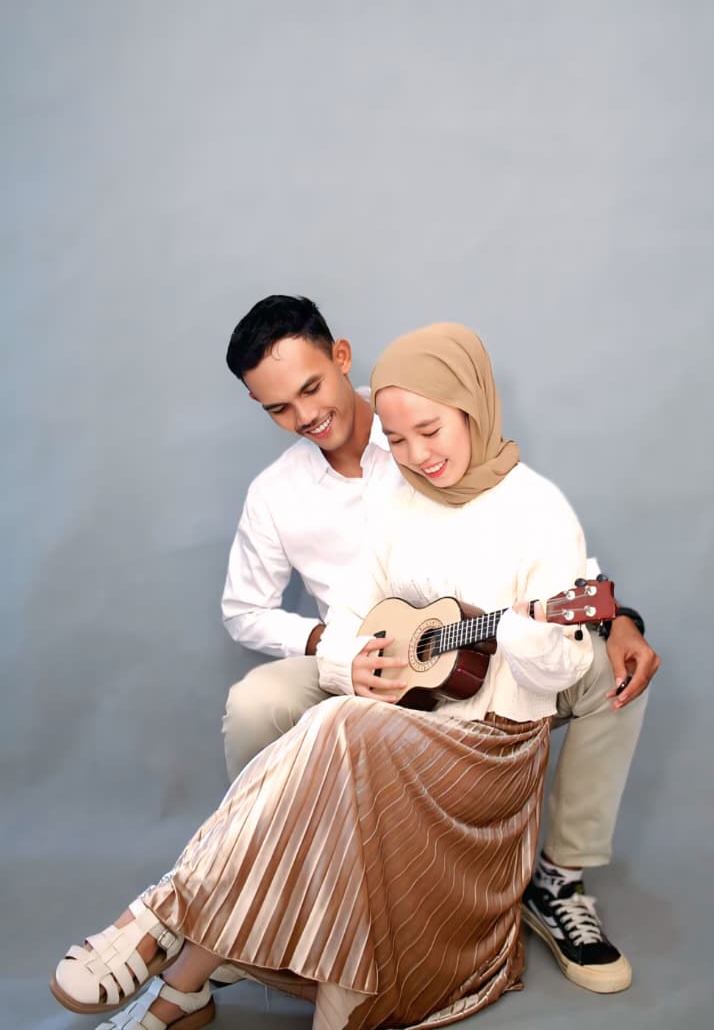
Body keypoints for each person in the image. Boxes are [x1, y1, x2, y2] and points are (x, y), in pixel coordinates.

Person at [51, 323, 599, 1030]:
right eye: (397, 441)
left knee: (334, 726)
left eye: (430, 431)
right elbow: (348, 611)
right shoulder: (398, 499)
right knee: (332, 737)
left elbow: (564, 663)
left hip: (492, 753)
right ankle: (179, 990)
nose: (416, 455)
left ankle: (162, 921)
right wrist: (355, 660)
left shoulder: (538, 508)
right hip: (409, 727)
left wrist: (524, 628)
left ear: (473, 405)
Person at [220, 296, 660, 992]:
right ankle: (258, 884)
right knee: (254, 702)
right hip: (359, 655)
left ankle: (558, 880)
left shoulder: (422, 407)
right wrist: (341, 650)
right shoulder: (276, 493)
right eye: (278, 408)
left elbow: (534, 545)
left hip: (479, 648)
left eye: (311, 388)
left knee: (614, 675)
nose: (304, 416)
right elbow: (244, 611)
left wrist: (620, 617)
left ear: (341, 357)